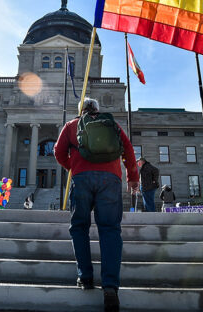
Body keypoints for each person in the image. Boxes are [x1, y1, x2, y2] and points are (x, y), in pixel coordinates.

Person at [54, 97, 139, 312]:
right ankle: (110, 287)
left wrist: (73, 167)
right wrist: (132, 177)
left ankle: (85, 277)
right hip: (110, 180)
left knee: (80, 227)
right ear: (98, 110)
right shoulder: (112, 124)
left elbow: (58, 151)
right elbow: (128, 151)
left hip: (82, 179)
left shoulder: (72, 125)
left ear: (81, 110)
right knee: (110, 230)